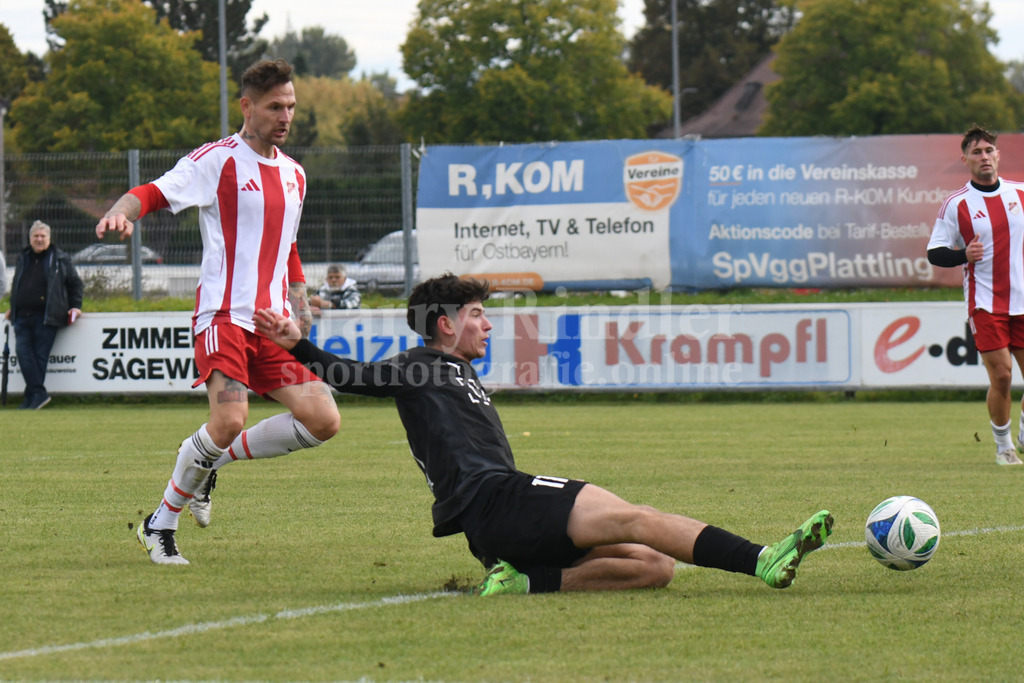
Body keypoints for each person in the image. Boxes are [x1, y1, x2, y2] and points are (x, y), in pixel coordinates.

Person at [253, 273, 834, 594]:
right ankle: (763, 558)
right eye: (477, 313)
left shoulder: (453, 370)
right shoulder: (419, 364)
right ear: (445, 323)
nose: (487, 322)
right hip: (499, 501)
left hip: (495, 526)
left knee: (654, 566)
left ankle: (525, 582)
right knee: (640, 517)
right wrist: (296, 345)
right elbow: (352, 377)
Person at [95, 58, 340, 565]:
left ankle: (211, 463)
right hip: (224, 317)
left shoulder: (295, 174)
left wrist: (299, 306)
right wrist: (121, 212)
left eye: (291, 106)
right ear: (247, 106)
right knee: (229, 417)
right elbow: (152, 193)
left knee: (323, 419)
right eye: (275, 106)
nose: (285, 116)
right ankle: (160, 524)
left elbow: (287, 247)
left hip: (274, 325)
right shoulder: (217, 161)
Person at [928, 125, 1024, 467]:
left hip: (1023, 301)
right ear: (965, 159)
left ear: (998, 155)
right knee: (1002, 376)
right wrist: (962, 255)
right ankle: (1004, 447)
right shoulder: (956, 204)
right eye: (976, 152)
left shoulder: (1020, 194)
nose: (984, 157)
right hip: (986, 303)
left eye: (989, 150)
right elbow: (935, 253)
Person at [4, 221, 83, 410]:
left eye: (42, 236)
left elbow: (75, 284)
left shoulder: (60, 259)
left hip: (47, 316)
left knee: (39, 357)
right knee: (24, 355)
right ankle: (37, 394)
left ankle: (32, 396)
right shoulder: (23, 258)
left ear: (49, 238)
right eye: (35, 236)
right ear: (30, 238)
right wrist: (12, 307)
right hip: (21, 316)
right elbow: (17, 284)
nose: (39, 239)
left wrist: (76, 307)